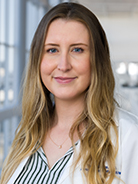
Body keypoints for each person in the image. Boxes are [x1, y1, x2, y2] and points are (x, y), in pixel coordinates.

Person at [1, 2, 138, 184]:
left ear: (97, 60)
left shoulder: (128, 136)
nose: (63, 65)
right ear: (38, 60)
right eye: (52, 50)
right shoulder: (27, 134)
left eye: (77, 50)